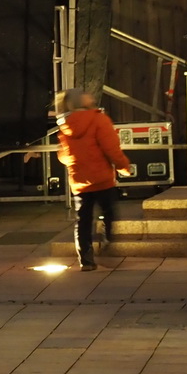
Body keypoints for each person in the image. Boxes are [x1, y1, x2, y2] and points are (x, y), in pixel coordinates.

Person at [56, 88, 131, 272]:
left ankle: (86, 260)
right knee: (108, 212)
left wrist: (77, 161)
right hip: (102, 178)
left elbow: (63, 155)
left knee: (83, 220)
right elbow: (111, 148)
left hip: (80, 181)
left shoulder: (65, 124)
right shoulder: (99, 119)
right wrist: (123, 167)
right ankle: (107, 242)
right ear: (82, 100)